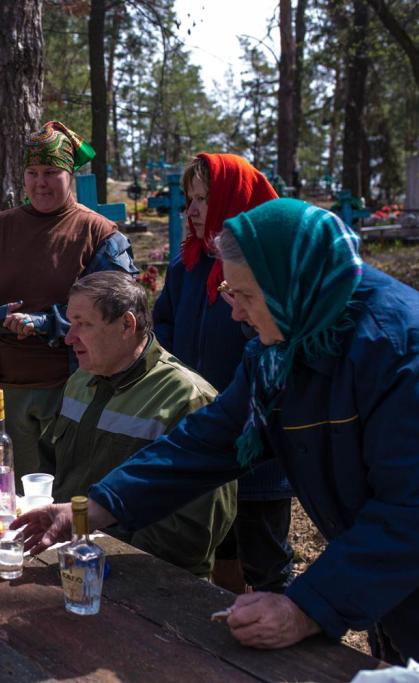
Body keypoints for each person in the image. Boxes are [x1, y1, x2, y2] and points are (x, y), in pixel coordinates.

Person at [15, 199, 419, 683]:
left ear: (292, 285)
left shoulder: (407, 354)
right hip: (403, 582)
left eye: (247, 296)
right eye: (230, 293)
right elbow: (207, 441)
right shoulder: (284, 345)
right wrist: (93, 508)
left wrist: (308, 606)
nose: (235, 313)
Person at [0, 120, 137, 477]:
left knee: (73, 486)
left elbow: (116, 307)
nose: (41, 182)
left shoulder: (99, 233)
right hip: (7, 391)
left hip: (77, 388)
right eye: (32, 172)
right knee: (22, 490)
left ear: (70, 174)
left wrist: (45, 323)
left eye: (51, 172)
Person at [152, 153, 294, 593]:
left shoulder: (266, 271)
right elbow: (164, 331)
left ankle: (281, 623)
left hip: (257, 442)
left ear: (236, 201)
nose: (191, 211)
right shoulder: (186, 265)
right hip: (201, 435)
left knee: (265, 558)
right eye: (189, 199)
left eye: (204, 200)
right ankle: (228, 621)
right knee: (217, 548)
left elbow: (283, 349)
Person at [42, 272, 236, 578]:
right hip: (70, 561)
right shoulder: (81, 380)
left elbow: (189, 532)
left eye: (83, 324)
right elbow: (51, 467)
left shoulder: (187, 397)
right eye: (70, 323)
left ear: (126, 325)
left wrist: (113, 567)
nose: (69, 337)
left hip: (145, 578)